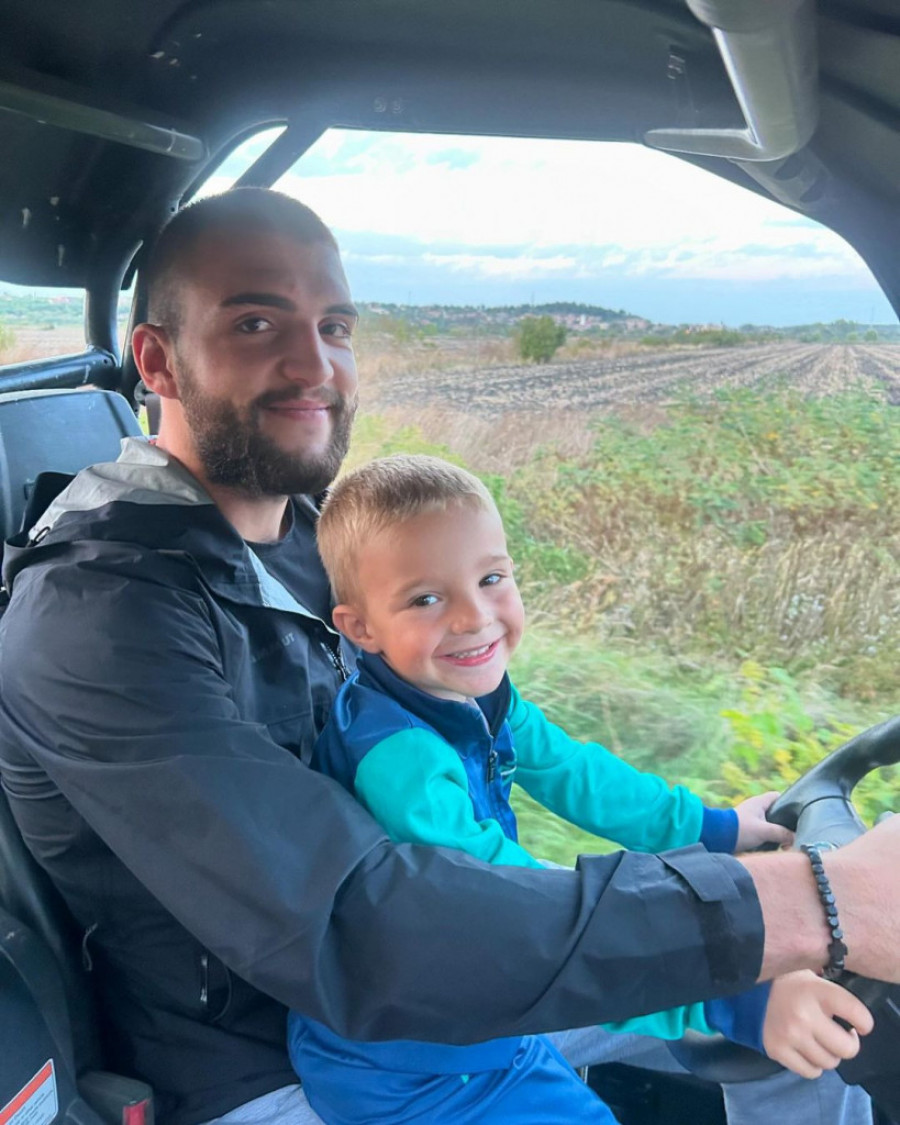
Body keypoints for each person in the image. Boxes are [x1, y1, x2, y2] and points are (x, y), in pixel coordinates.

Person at [0, 188, 899, 1125]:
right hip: (281, 1063)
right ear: (158, 361)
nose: (315, 364)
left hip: (440, 978)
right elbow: (362, 925)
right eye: (257, 323)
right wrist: (803, 904)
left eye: (335, 326)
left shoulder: (311, 536)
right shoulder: (98, 621)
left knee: (825, 1041)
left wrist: (720, 840)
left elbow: (516, 747)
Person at [286, 452, 873, 1125]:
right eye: (426, 599)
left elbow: (581, 776)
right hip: (412, 1057)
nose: (474, 617)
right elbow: (503, 906)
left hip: (483, 1003)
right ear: (359, 627)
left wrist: (715, 828)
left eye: (491, 578)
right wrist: (727, 993)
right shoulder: (401, 760)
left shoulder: (470, 696)